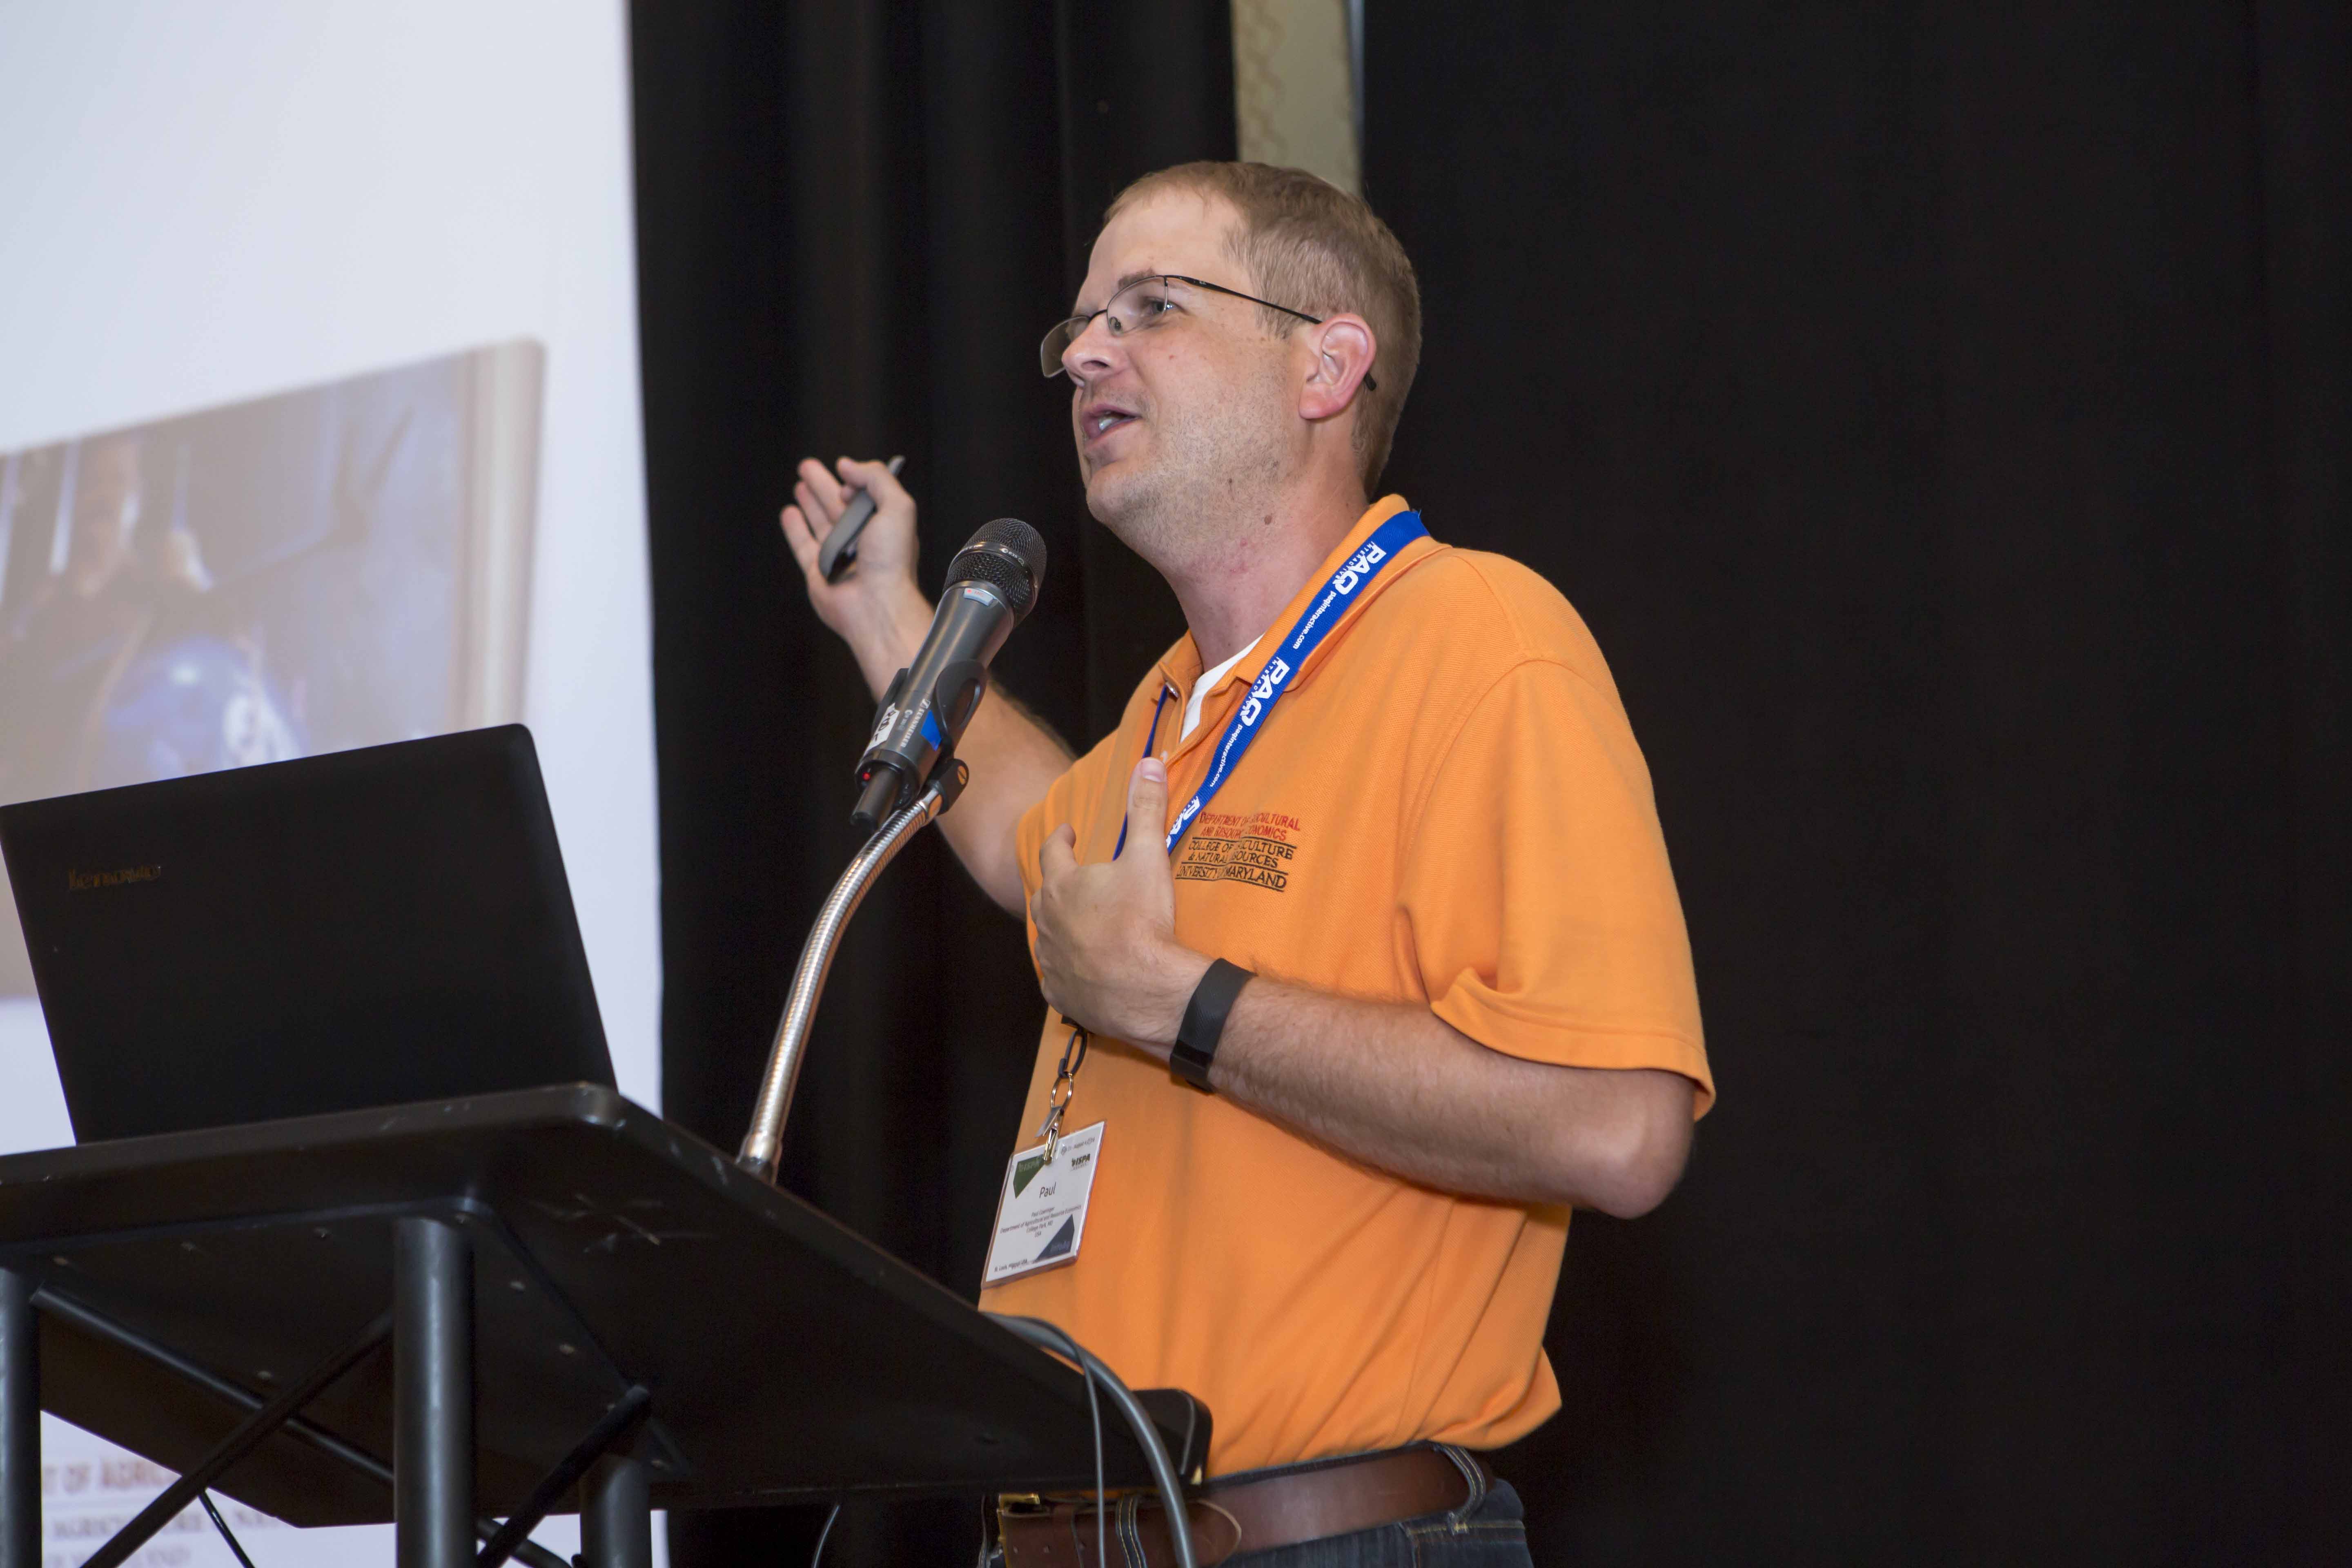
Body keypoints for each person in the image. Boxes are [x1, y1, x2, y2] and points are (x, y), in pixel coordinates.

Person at [780, 161, 1712, 1566]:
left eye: (1152, 307)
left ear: (1326, 367)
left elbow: (1619, 1130)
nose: (1086, 354)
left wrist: (1182, 1004)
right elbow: (1026, 837)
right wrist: (889, 620)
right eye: (1080, 325)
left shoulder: (1476, 640)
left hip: (1321, 1542)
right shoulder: (1174, 707)